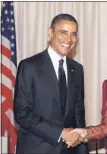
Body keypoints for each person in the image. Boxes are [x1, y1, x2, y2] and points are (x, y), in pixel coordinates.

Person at [14, 13, 88, 154]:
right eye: (63, 32)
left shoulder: (77, 69)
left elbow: (79, 116)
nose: (69, 39)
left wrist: (82, 147)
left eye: (73, 34)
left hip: (69, 150)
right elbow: (22, 113)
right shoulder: (29, 66)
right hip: (36, 149)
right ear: (50, 32)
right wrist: (60, 133)